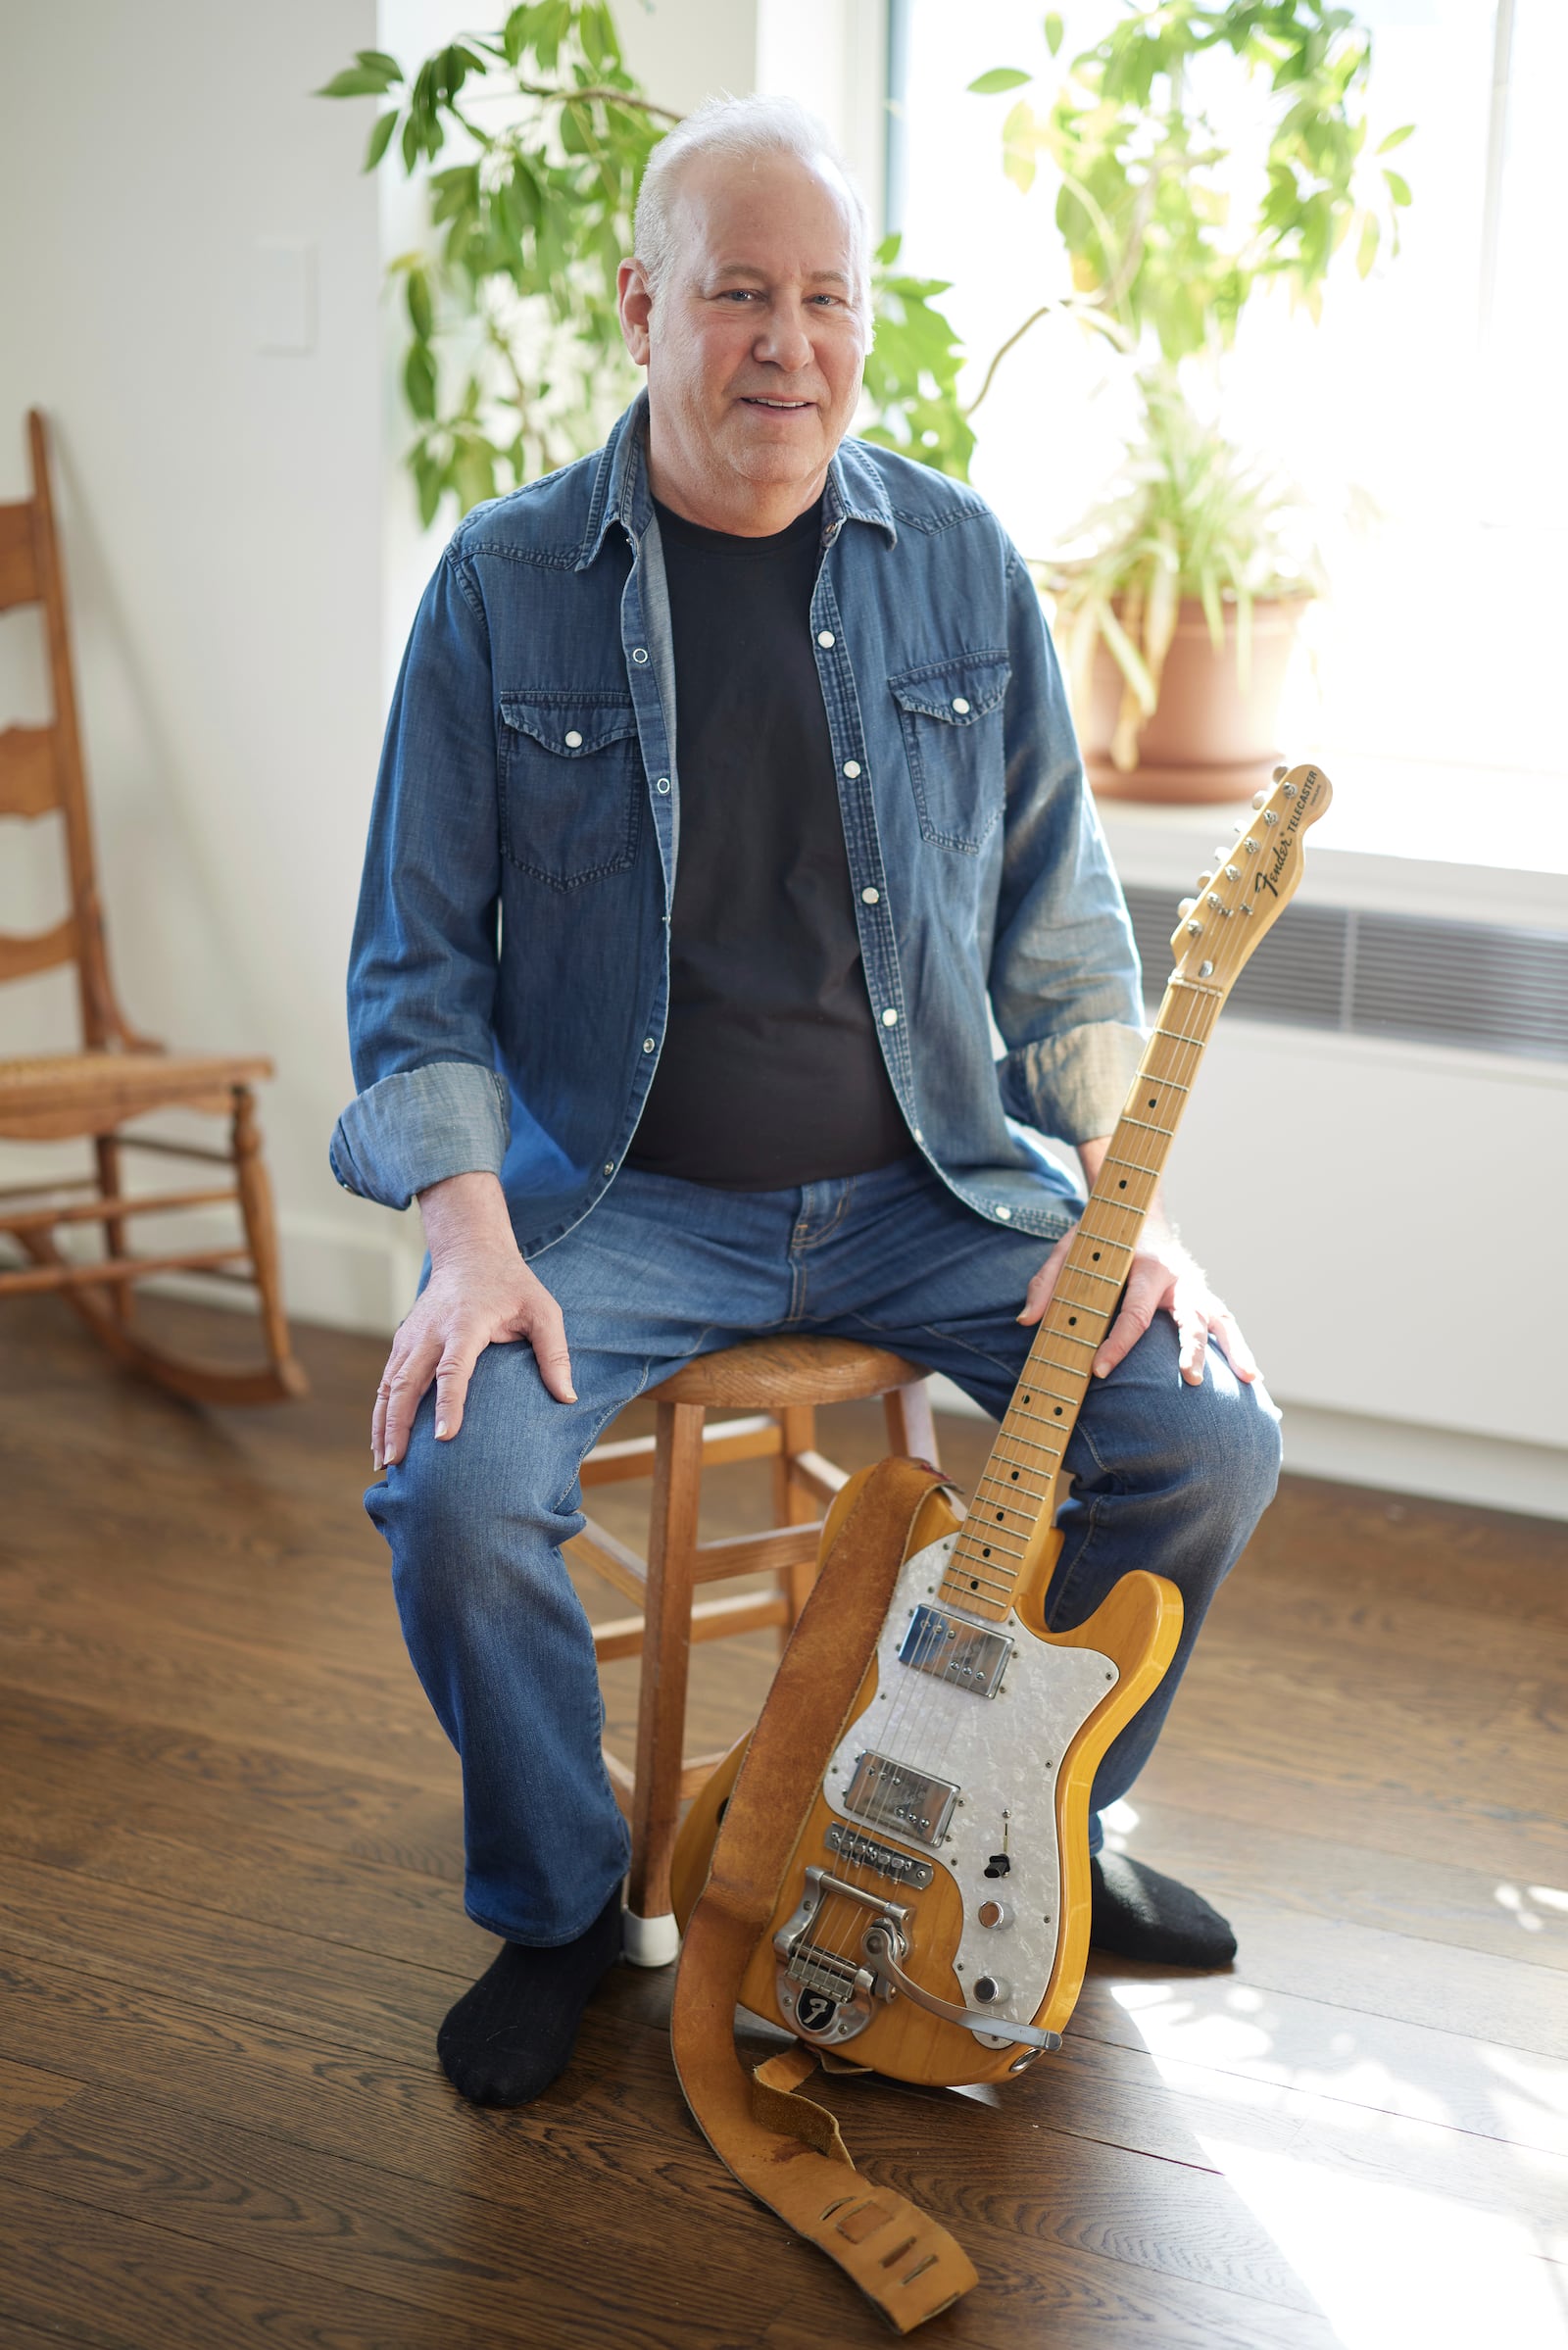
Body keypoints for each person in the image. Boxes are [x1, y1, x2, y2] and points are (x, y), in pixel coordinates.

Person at [331, 96, 1281, 2111]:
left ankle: (1060, 1820)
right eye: (739, 292)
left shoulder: (953, 564)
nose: (788, 341)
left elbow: (1063, 947)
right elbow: (413, 971)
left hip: (927, 1180)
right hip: (616, 1204)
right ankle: (562, 1903)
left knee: (1199, 1433)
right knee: (457, 1487)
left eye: (823, 297)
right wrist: (466, 1239)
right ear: (639, 305)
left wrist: (1131, 1208)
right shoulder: (501, 588)